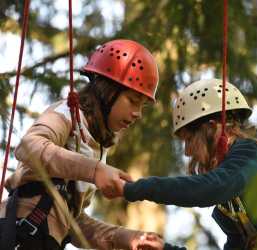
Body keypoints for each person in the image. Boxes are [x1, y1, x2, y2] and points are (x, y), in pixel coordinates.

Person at [0, 39, 164, 250]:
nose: (138, 114)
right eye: (132, 100)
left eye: (142, 106)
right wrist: (95, 171)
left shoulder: (96, 147)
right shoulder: (68, 114)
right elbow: (30, 147)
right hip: (16, 232)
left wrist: (125, 237)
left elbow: (72, 222)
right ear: (107, 91)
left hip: (41, 240)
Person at [120, 78, 257, 249]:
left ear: (212, 127)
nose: (187, 151)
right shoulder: (231, 204)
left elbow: (214, 186)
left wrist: (134, 188)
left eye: (189, 139)